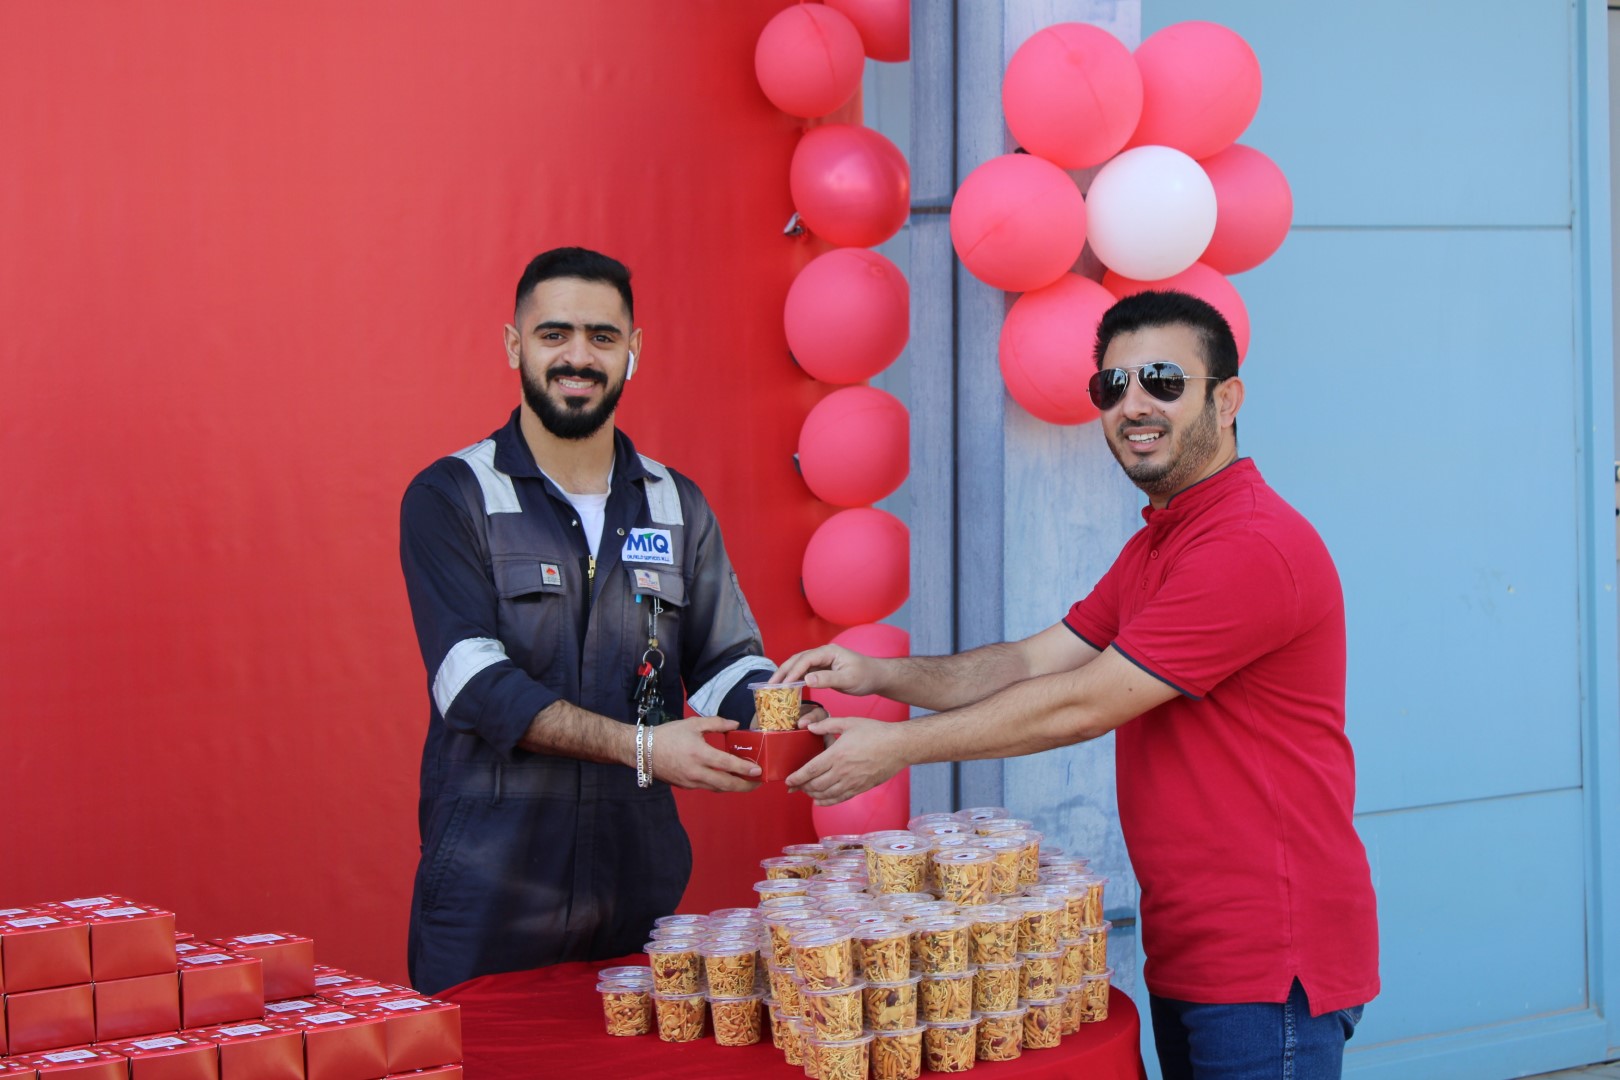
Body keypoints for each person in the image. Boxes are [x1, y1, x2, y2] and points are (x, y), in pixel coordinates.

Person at [775, 290, 1379, 1079]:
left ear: (1227, 399)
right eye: (1112, 385)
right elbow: (1032, 663)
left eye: (1164, 380)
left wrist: (895, 747)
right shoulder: (1162, 541)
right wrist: (880, 674)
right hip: (1193, 947)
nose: (1134, 405)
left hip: (1270, 961)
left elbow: (1086, 702)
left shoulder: (1249, 545)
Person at [399, 247, 782, 995]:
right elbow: (472, 685)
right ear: (515, 346)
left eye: (602, 337)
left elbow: (727, 663)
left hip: (637, 887)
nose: (579, 357)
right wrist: (644, 748)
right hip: (488, 892)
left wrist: (798, 716)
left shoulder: (675, 503)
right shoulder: (453, 495)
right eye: (555, 334)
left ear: (632, 351)